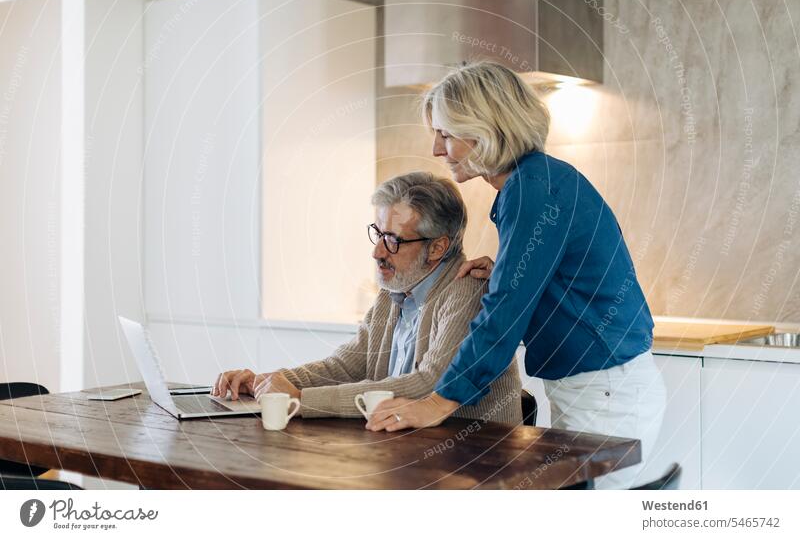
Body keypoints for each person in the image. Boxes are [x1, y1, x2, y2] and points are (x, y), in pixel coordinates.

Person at [367, 61, 666, 489]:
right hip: (601, 390)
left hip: (604, 396)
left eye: (446, 135)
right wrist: (508, 272)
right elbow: (552, 278)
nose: (436, 149)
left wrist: (439, 401)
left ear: (485, 131)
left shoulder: (531, 190)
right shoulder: (535, 182)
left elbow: (505, 313)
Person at [212, 172, 521, 424]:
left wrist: (301, 400)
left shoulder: (467, 289)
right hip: (409, 456)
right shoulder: (394, 292)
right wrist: (268, 383)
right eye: (378, 232)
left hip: (472, 466)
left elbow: (429, 384)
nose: (377, 252)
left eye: (393, 240)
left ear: (438, 248)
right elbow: (344, 366)